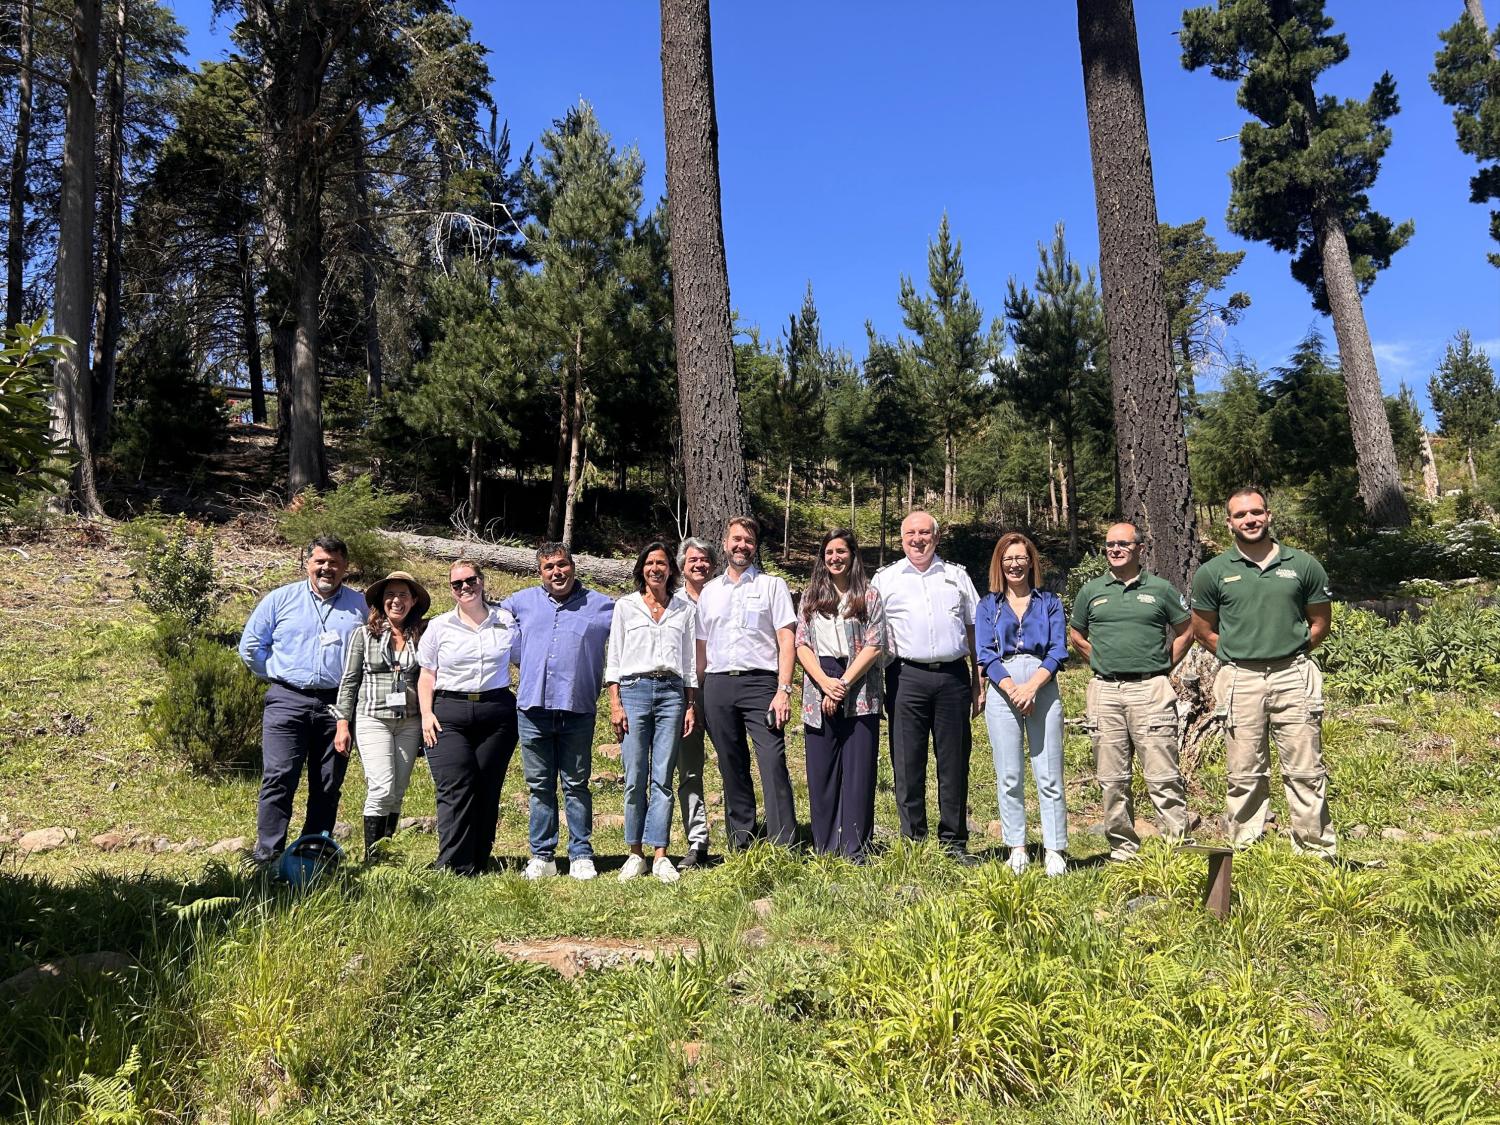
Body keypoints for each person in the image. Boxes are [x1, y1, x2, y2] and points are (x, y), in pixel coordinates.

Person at [1190, 487, 1336, 856]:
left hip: (1293, 675)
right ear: (1229, 523)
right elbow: (1202, 629)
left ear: (1268, 516)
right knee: (1244, 774)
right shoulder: (1213, 573)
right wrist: (1234, 654)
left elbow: (1319, 622)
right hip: (1241, 679)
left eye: (1256, 512)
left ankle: (1315, 850)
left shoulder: (1302, 565)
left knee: (1305, 769)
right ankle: (1247, 849)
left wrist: (1292, 651)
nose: (1250, 520)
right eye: (1240, 515)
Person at [1068, 525, 1193, 862]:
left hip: (1151, 689)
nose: (1115, 549)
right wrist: (1098, 658)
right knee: (1112, 779)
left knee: (1163, 775)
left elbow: (1186, 629)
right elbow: (1076, 633)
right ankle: (1123, 850)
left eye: (1123, 543)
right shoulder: (1092, 591)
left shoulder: (1161, 589)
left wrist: (1165, 665)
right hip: (1104, 691)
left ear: (1140, 548)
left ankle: (1177, 849)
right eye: (1110, 544)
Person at [239, 536, 366, 866]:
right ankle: (268, 855)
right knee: (279, 777)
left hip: (337, 706)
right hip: (286, 700)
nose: (327, 568)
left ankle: (313, 854)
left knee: (327, 783)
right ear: (307, 563)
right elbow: (251, 647)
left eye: (334, 562)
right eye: (320, 561)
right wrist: (279, 676)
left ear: (345, 567)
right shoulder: (280, 600)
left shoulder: (360, 606)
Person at [870, 510, 983, 863]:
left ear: (936, 536)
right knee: (907, 762)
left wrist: (979, 679)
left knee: (954, 762)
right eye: (909, 534)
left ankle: (954, 841)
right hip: (905, 677)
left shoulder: (956, 576)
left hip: (953, 677)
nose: (917, 540)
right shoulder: (885, 579)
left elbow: (974, 627)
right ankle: (914, 841)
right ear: (901, 538)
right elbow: (870, 634)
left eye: (924, 533)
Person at [502, 543, 615, 880]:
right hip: (532, 708)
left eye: (562, 565)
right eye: (549, 567)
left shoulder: (601, 605)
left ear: (573, 566)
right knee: (539, 786)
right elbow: (490, 621)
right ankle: (543, 856)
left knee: (576, 784)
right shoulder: (520, 602)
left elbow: (634, 625)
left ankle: (580, 854)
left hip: (576, 708)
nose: (557, 572)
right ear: (540, 573)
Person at [696, 516, 799, 850]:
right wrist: (694, 696)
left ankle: (783, 842)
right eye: (736, 539)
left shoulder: (773, 586)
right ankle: (742, 840)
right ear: (725, 543)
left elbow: (787, 640)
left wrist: (784, 690)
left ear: (756, 547)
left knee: (772, 761)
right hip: (718, 685)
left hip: (761, 685)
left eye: (749, 541)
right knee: (731, 763)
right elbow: (701, 647)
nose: (742, 546)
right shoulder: (709, 592)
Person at [416, 560, 519, 876]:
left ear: (482, 581)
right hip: (449, 712)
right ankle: (454, 864)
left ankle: (479, 858)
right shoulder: (439, 626)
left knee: (488, 786)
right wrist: (425, 714)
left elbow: (524, 662)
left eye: (470, 580)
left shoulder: (505, 620)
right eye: (457, 584)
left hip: (497, 712)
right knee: (455, 786)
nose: (465, 587)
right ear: (451, 589)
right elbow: (426, 674)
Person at [976, 532, 1070, 877]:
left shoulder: (1049, 602)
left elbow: (1059, 649)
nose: (1015, 564)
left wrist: (1031, 686)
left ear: (1031, 561)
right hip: (1004, 687)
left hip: (1042, 682)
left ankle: (1055, 848)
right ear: (999, 564)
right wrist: (1013, 688)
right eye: (1008, 559)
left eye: (1021, 558)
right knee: (1010, 774)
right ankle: (1017, 846)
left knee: (1048, 773)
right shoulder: (988, 605)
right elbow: (985, 653)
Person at [605, 542, 697, 884]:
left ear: (670, 569)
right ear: (641, 569)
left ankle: (660, 855)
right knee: (633, 777)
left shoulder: (684, 609)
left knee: (662, 778)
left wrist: (690, 704)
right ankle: (635, 853)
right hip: (634, 692)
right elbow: (614, 656)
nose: (655, 568)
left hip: (672, 694)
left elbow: (688, 661)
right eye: (649, 563)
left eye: (661, 563)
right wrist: (615, 703)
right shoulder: (625, 607)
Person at [794, 528, 888, 860]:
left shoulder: (870, 595)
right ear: (823, 558)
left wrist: (843, 684)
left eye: (841, 552)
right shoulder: (810, 596)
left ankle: (855, 847)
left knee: (859, 771)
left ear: (852, 555)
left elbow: (875, 645)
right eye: (829, 552)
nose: (835, 558)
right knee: (821, 772)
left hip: (859, 685)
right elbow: (801, 644)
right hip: (818, 684)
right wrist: (824, 682)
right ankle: (826, 846)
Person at [333, 570, 431, 860]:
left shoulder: (422, 635)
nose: (396, 601)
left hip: (410, 722)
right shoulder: (364, 635)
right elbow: (349, 680)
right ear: (380, 601)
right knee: (381, 785)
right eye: (390, 595)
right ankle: (371, 857)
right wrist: (342, 722)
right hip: (372, 717)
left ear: (414, 600)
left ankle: (385, 856)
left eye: (402, 594)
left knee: (398, 790)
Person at [672, 537, 718, 869]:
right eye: (693, 560)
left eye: (705, 560)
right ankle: (697, 842)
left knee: (734, 762)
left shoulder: (724, 598)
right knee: (689, 769)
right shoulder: (671, 602)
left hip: (721, 688)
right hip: (682, 693)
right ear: (682, 566)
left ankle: (743, 834)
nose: (699, 565)